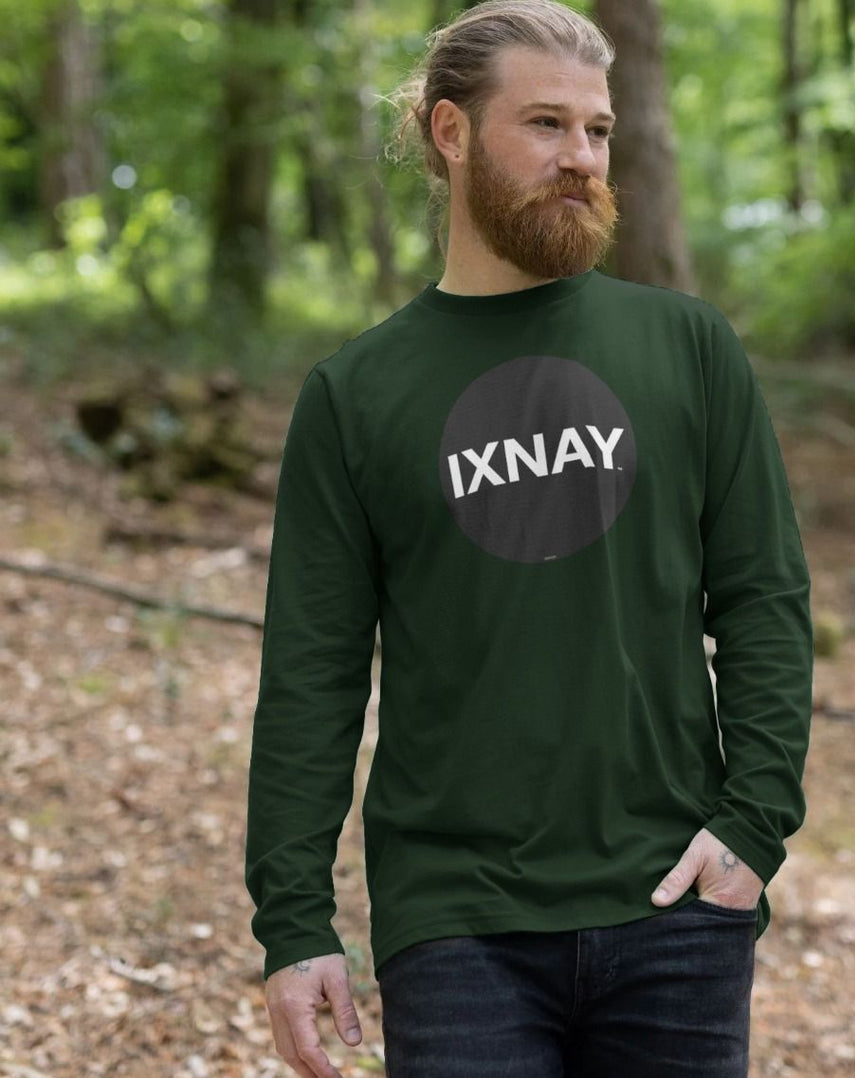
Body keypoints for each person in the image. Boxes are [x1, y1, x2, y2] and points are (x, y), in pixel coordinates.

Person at [244, 2, 813, 1076]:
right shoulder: (356, 395)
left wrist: (754, 824)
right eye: (545, 124)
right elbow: (311, 676)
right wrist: (294, 921)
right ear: (450, 134)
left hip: (676, 901)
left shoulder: (689, 348)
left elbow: (762, 599)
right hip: (458, 923)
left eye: (597, 131)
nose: (581, 158)